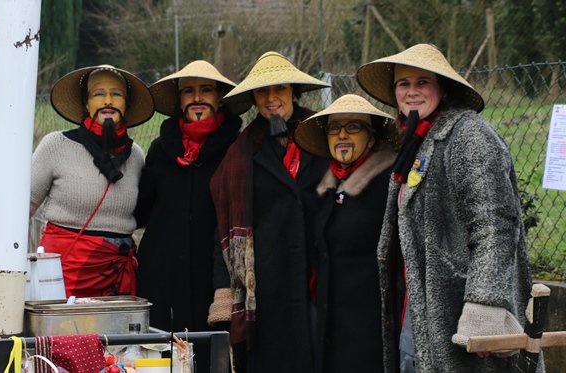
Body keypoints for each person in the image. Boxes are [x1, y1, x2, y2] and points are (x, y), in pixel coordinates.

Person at [356, 44, 537, 372]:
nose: (412, 92)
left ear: (442, 87)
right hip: (419, 309)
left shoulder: (469, 135)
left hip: (460, 311)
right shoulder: (416, 142)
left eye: (422, 82)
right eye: (403, 84)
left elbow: (495, 223)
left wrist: (485, 305)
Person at [209, 51, 330, 372]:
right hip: (265, 285)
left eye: (280, 90)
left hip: (318, 275)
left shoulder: (324, 135)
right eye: (263, 91)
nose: (271, 99)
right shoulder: (240, 152)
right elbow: (223, 222)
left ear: (294, 92)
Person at [135, 60, 249, 371]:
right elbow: (141, 209)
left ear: (219, 97)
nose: (197, 98)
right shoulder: (161, 149)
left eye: (206, 90)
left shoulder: (236, 148)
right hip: (161, 272)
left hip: (213, 273)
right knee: (159, 353)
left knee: (209, 354)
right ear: (179, 100)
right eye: (189, 91)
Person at [294, 94, 397, 373]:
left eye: (353, 127)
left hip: (372, 327)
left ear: (372, 137)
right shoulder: (325, 186)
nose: (342, 135)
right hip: (330, 324)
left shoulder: (390, 184)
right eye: (334, 129)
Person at [30, 65, 154, 297]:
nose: (108, 100)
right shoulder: (56, 146)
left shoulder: (136, 155)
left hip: (118, 277)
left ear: (126, 104)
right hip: (63, 274)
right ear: (86, 104)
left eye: (116, 94)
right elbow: (20, 209)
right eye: (98, 94)